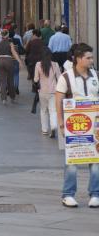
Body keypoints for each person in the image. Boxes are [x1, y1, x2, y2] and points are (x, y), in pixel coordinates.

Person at [55, 43, 99, 208]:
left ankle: (95, 193)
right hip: (73, 126)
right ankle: (68, 194)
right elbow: (58, 100)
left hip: (94, 126)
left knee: (96, 160)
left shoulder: (95, 75)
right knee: (72, 161)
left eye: (92, 57)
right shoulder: (65, 77)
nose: (91, 60)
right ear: (78, 59)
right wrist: (60, 123)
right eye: (88, 58)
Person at [34, 48, 60, 138]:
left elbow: (36, 79)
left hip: (42, 91)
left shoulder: (38, 64)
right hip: (53, 91)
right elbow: (59, 78)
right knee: (53, 110)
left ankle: (44, 129)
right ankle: (53, 126)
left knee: (43, 110)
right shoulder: (55, 65)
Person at [0, 30, 22, 104]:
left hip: (0, 61)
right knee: (10, 80)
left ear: (1, 36)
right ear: (7, 36)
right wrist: (19, 61)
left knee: (2, 81)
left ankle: (3, 99)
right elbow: (14, 53)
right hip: (8, 60)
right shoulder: (10, 43)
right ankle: (12, 97)